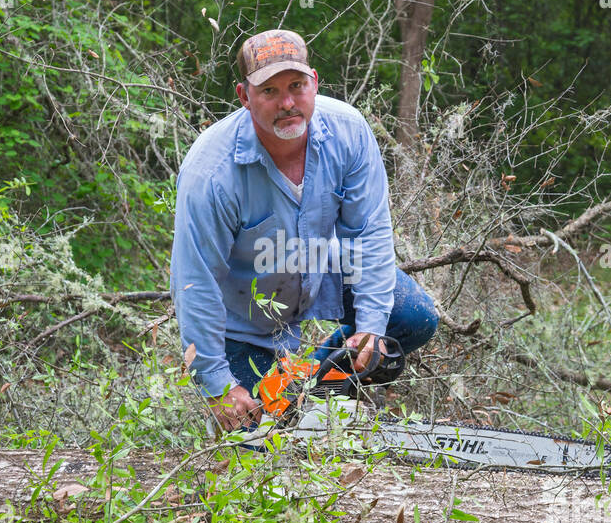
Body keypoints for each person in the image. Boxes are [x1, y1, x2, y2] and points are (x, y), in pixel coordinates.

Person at [170, 29, 439, 431]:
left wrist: (369, 328)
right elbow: (195, 282)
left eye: (296, 86)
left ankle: (314, 378)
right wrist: (217, 386)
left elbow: (370, 236)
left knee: (413, 317)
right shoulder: (211, 173)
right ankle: (289, 394)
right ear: (245, 97)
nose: (287, 103)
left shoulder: (347, 132)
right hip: (244, 315)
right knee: (258, 434)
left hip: (319, 267)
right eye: (270, 91)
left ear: (314, 82)